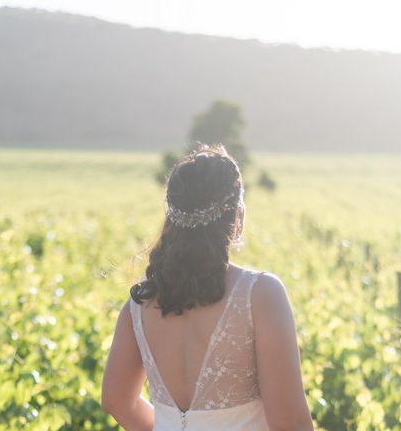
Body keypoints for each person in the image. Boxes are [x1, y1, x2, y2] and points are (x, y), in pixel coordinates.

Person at [101, 143, 314, 431]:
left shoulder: (140, 303)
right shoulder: (261, 294)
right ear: (237, 214)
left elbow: (116, 400)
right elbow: (289, 421)